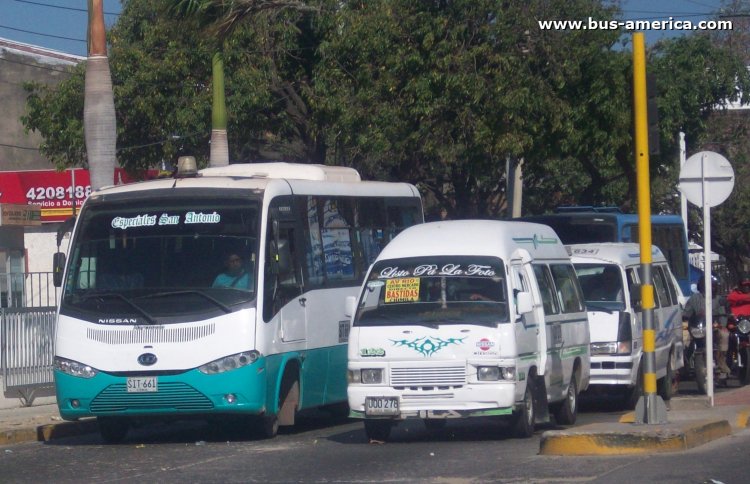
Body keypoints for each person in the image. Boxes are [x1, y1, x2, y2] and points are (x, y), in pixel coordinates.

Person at [683, 277, 731, 377]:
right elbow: (686, 313)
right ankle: (685, 363)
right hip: (698, 328)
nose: (711, 288)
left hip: (715, 327)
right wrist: (685, 319)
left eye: (713, 286)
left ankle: (721, 361)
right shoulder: (694, 298)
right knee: (684, 337)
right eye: (708, 286)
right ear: (701, 287)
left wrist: (721, 325)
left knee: (724, 334)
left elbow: (723, 316)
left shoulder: (720, 299)